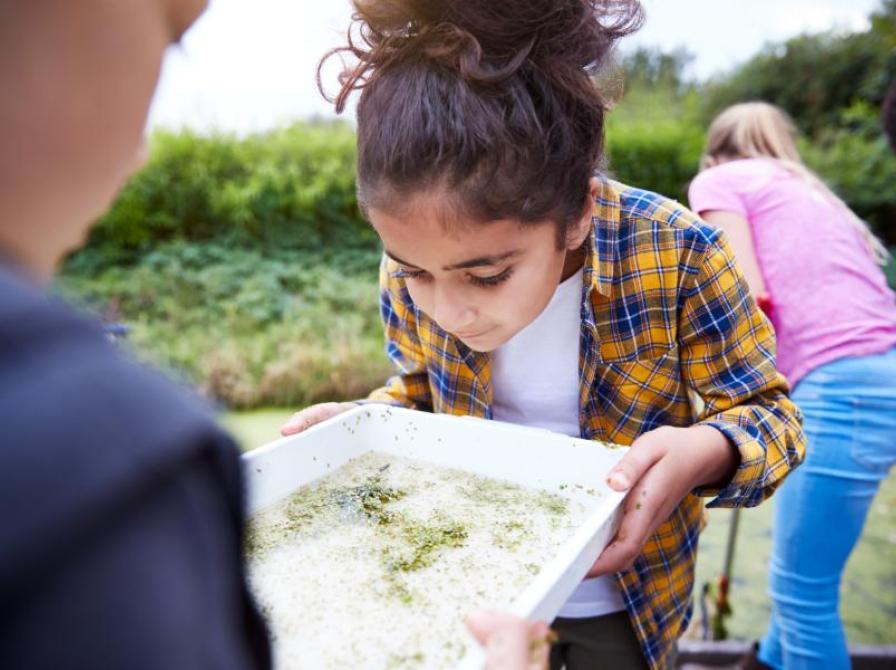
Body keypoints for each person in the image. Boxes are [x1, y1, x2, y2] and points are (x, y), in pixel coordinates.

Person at [281, 2, 806, 668]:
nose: (449, 311)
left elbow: (774, 419)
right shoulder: (409, 269)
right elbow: (415, 397)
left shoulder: (681, 253)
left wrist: (705, 450)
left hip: (628, 601)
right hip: (473, 586)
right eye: (417, 273)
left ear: (579, 215)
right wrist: (362, 429)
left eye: (488, 275)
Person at [688, 101, 896, 670]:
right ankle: (763, 663)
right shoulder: (811, 191)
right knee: (807, 575)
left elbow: (746, 290)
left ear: (715, 149)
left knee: (802, 594)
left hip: (842, 387)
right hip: (884, 373)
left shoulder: (719, 179)